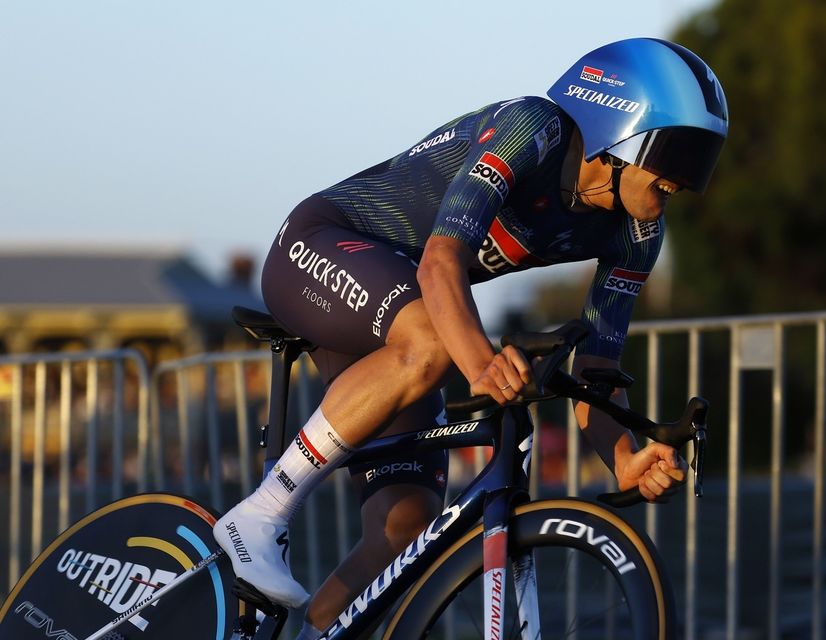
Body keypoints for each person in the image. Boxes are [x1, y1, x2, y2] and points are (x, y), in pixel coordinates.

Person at [213, 37, 728, 638]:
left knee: (406, 527)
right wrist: (482, 363)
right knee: (434, 345)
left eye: (703, 159)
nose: (687, 180)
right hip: (322, 244)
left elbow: (598, 368)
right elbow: (440, 262)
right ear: (622, 127)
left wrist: (622, 456)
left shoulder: (638, 234)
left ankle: (315, 633)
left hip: (396, 311)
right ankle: (261, 512)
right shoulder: (532, 129)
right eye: (679, 152)